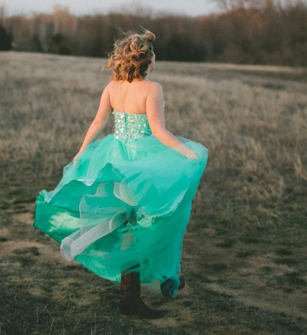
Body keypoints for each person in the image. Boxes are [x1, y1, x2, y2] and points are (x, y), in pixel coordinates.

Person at [33, 30, 208, 319]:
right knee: (156, 215)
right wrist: (187, 152)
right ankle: (143, 289)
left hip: (114, 158)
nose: (155, 58)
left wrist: (82, 150)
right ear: (147, 60)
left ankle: (162, 277)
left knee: (132, 220)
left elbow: (98, 122)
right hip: (142, 161)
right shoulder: (152, 89)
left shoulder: (112, 87)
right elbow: (160, 132)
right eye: (153, 54)